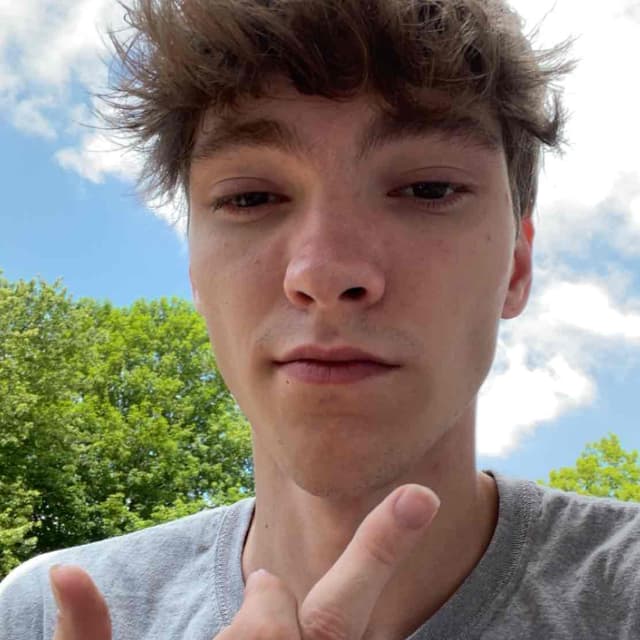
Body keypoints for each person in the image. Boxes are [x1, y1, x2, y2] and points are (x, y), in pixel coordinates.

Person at [2, 0, 640, 638]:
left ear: (518, 267)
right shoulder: (34, 617)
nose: (324, 272)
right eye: (250, 197)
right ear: (196, 276)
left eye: (428, 189)